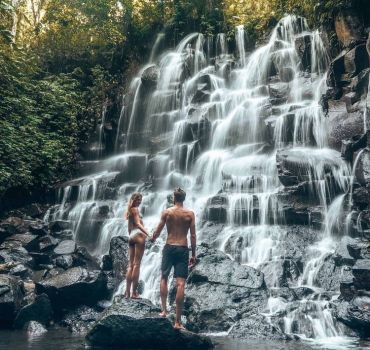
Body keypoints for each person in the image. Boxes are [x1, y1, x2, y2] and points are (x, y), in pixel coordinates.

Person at [151, 188, 196, 330]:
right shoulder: (190, 214)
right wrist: (193, 254)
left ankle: (164, 311)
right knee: (181, 284)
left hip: (169, 247)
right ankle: (177, 322)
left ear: (173, 198)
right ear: (184, 198)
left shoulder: (167, 212)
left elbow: (158, 230)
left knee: (164, 277)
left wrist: (153, 238)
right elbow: (193, 236)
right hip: (183, 249)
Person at [124, 192, 150, 299]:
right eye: (138, 200)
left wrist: (131, 236)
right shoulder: (135, 209)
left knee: (130, 265)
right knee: (137, 265)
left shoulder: (129, 210)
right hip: (138, 235)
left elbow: (130, 228)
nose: (139, 202)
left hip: (131, 237)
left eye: (140, 200)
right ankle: (134, 293)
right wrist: (149, 234)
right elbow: (138, 224)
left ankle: (127, 293)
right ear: (134, 199)